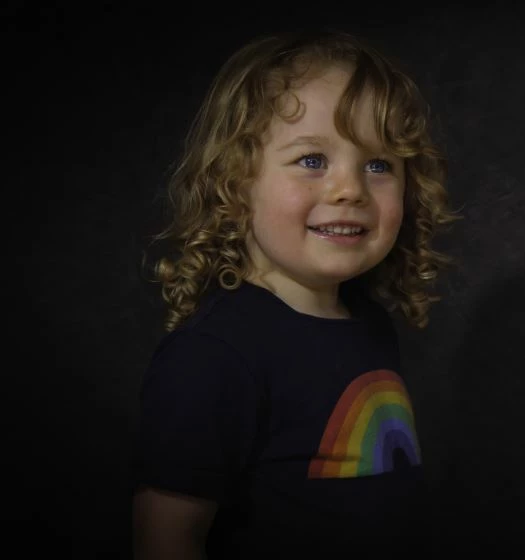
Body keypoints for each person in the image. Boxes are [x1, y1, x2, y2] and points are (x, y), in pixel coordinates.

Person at [131, 28, 461, 559]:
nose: (350, 189)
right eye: (312, 160)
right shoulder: (212, 355)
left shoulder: (370, 324)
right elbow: (167, 536)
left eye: (379, 165)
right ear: (235, 181)